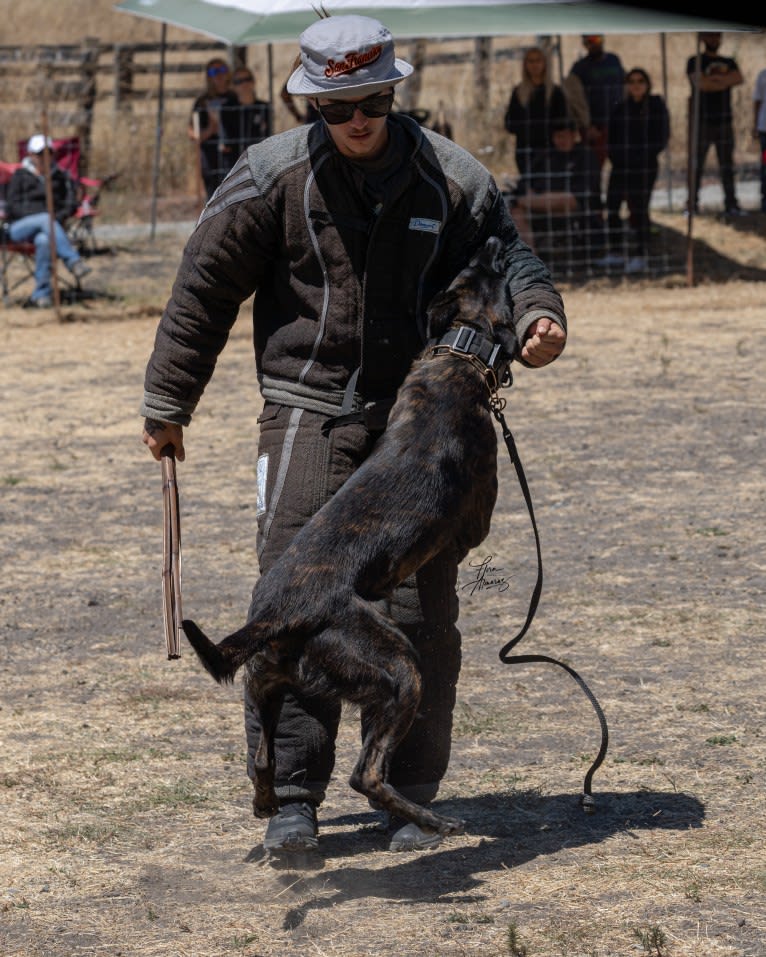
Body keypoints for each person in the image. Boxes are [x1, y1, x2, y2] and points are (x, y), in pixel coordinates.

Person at [140, 14, 567, 857]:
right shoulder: (270, 177)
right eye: (339, 108)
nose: (359, 119)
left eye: (373, 101)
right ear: (313, 105)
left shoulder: (452, 176)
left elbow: (508, 257)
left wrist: (540, 313)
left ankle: (403, 793)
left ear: (394, 93)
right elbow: (202, 288)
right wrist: (168, 400)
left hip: (422, 416)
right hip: (304, 403)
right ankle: (293, 795)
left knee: (421, 607)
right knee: (293, 599)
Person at [5, 133, 90, 308]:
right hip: (18, 228)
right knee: (45, 219)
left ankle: (41, 295)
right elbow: (12, 206)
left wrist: (56, 219)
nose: (44, 158)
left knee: (44, 241)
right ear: (30, 155)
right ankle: (73, 261)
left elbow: (70, 203)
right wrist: (42, 217)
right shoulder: (20, 176)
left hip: (50, 229)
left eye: (48, 153)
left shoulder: (60, 177)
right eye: (39, 154)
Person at [604, 68, 670, 272]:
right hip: (620, 166)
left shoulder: (656, 106)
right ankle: (615, 252)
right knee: (613, 206)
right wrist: (618, 158)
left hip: (645, 166)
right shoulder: (620, 108)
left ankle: (640, 254)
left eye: (640, 80)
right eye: (631, 81)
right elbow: (611, 139)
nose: (636, 84)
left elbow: (662, 137)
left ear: (647, 83)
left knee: (640, 209)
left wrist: (642, 157)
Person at [509, 117, 604, 259]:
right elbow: (525, 183)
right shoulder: (544, 156)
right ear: (553, 138)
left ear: (574, 135)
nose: (562, 140)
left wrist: (534, 197)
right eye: (558, 136)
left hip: (574, 205)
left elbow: (583, 193)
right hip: (539, 205)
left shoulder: (585, 155)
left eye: (566, 136)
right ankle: (530, 260)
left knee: (565, 199)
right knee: (516, 210)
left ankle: (524, 201)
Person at [686, 32, 745, 216]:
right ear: (702, 39)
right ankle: (691, 205)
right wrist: (722, 82)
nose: (714, 40)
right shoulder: (694, 60)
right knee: (696, 164)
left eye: (717, 36)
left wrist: (713, 81)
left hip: (724, 121)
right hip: (701, 122)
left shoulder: (729, 61)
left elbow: (738, 79)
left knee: (727, 165)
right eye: (710, 36)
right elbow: (701, 84)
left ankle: (731, 204)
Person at [504, 46, 569, 179]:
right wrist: (526, 131)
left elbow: (563, 122)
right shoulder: (518, 92)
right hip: (525, 151)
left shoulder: (555, 92)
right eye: (531, 61)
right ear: (525, 65)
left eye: (538, 60)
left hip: (550, 151)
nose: (535, 65)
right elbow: (509, 123)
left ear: (545, 63)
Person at [568, 34, 625, 168]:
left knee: (622, 165)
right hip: (596, 127)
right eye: (588, 41)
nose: (593, 43)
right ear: (584, 44)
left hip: (618, 122)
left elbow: (624, 86)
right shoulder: (579, 67)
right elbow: (574, 99)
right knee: (594, 168)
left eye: (596, 39)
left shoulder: (614, 60)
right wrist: (586, 126)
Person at [190, 57, 239, 199]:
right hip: (211, 157)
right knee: (213, 196)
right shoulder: (202, 101)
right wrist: (211, 129)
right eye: (213, 71)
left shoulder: (235, 97)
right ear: (208, 76)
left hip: (233, 155)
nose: (218, 74)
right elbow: (192, 132)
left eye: (222, 69)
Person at [227, 66, 273, 158]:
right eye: (239, 81)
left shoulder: (264, 107)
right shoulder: (228, 110)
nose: (244, 84)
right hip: (235, 161)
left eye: (247, 79)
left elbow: (268, 136)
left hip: (259, 158)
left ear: (253, 82)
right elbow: (228, 142)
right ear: (233, 86)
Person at [752, 65, 766, 213]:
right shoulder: (763, 75)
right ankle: (765, 201)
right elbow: (757, 101)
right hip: (765, 131)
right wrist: (755, 125)